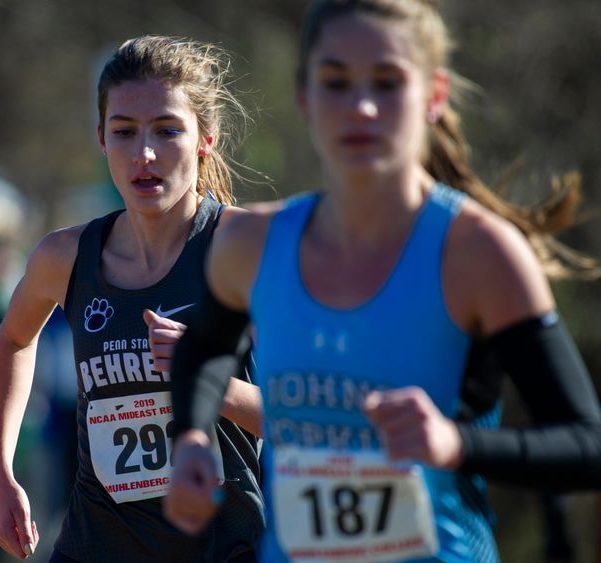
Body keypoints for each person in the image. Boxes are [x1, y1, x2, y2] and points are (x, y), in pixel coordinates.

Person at [163, 1, 601, 562]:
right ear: (305, 96)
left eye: (388, 83)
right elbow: (203, 347)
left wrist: (455, 443)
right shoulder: (252, 244)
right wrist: (193, 438)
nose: (361, 107)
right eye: (336, 82)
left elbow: (586, 443)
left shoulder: (478, 254)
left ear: (434, 97)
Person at [0, 35, 265, 562]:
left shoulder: (248, 252)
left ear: (205, 138)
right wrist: (0, 472)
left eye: (167, 130)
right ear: (100, 138)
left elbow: (307, 418)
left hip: (221, 550)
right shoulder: (64, 257)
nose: (144, 154)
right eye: (124, 132)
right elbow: (14, 339)